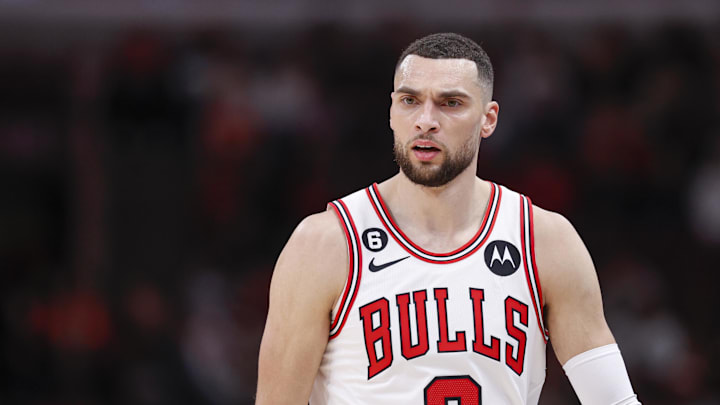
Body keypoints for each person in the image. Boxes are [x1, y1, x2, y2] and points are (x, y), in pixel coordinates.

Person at [256, 32, 640, 404]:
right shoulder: (324, 244)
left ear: (488, 119)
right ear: (391, 111)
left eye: (450, 103)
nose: (425, 120)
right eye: (410, 101)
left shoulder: (544, 241)